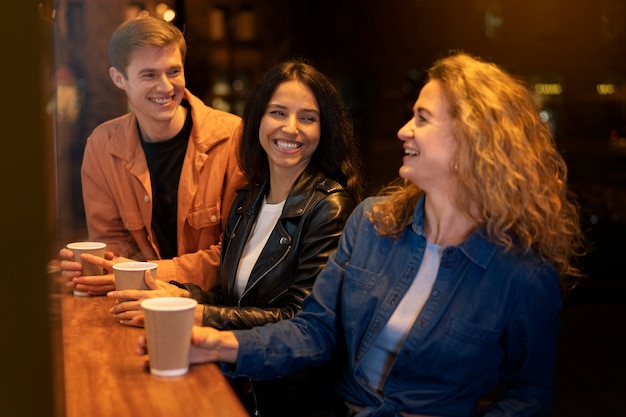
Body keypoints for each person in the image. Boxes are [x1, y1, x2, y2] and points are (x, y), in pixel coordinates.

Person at [150, 52, 585, 416]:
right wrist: (218, 344)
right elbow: (313, 332)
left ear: (472, 140)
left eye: (422, 118)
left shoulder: (524, 272)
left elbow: (528, 395)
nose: (403, 130)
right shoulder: (373, 223)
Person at [111, 60, 364, 417]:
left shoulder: (331, 207)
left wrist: (198, 314)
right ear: (258, 119)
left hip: (290, 400)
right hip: (237, 385)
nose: (291, 129)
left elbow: (299, 321)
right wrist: (181, 295)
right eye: (278, 113)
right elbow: (234, 298)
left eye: (308, 118)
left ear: (324, 130)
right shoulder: (248, 199)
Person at [58, 16, 246, 294]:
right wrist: (94, 266)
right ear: (118, 78)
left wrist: (148, 273)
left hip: (214, 304)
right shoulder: (101, 145)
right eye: (149, 75)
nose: (166, 87)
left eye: (173, 72)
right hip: (137, 298)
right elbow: (112, 242)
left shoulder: (232, 136)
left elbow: (237, 252)